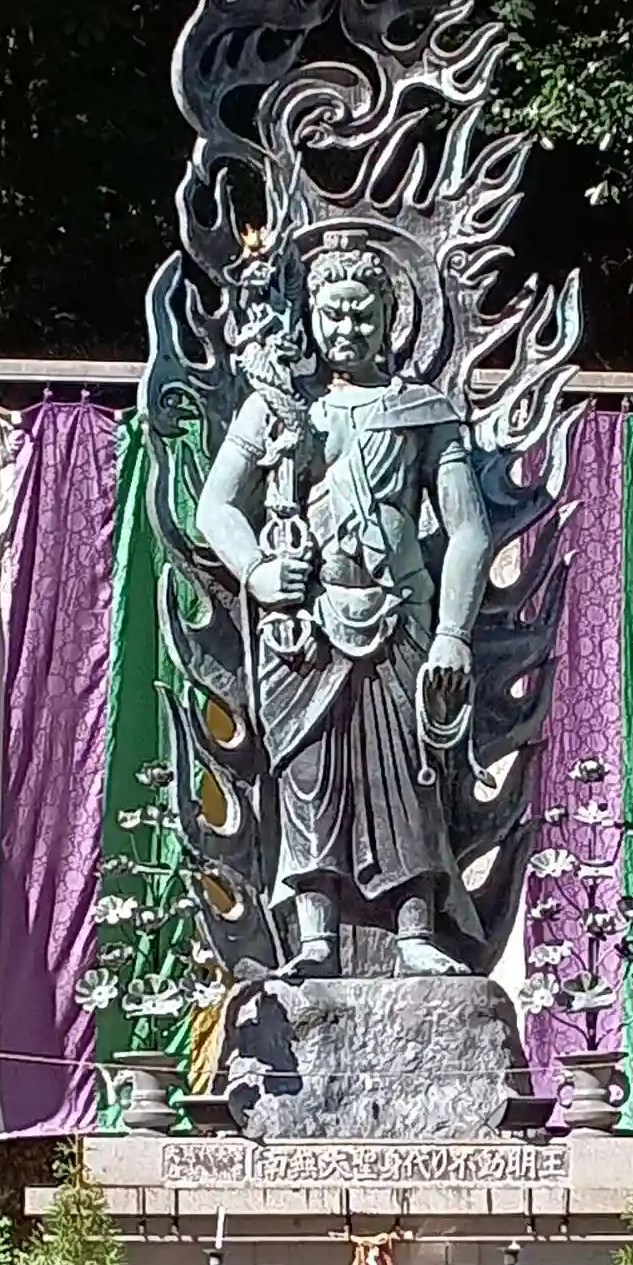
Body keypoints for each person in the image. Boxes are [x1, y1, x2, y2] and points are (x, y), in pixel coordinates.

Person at [194, 230, 494, 978]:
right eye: (333, 314)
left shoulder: (423, 412)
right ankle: (316, 936)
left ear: (391, 318)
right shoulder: (280, 409)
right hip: (305, 627)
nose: (347, 329)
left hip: (397, 617)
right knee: (309, 775)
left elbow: (468, 531)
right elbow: (216, 508)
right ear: (310, 317)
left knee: (408, 776)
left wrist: (454, 634)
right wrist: (259, 571)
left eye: (364, 314)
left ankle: (415, 929)